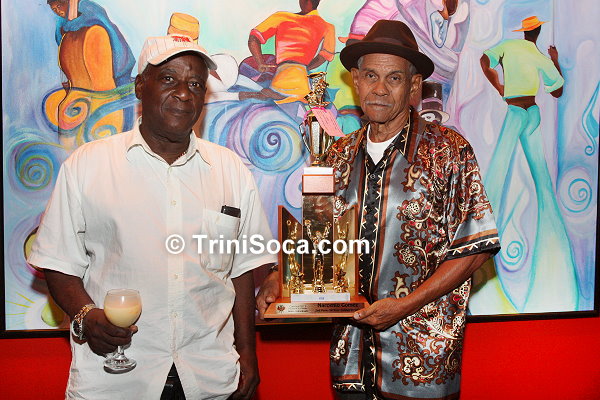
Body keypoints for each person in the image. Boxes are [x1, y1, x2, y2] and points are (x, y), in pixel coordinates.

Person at [257, 20, 500, 399]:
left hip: (422, 357)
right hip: (350, 356)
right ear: (356, 80)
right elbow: (318, 240)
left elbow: (475, 248)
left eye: (394, 78)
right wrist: (280, 276)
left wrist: (403, 306)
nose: (380, 89)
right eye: (371, 75)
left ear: (414, 86)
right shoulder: (337, 154)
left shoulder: (448, 151)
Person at [28, 34, 277, 400]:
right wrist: (85, 315)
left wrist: (247, 352)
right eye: (169, 79)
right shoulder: (87, 166)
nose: (184, 93)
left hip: (208, 376)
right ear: (140, 86)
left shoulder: (231, 170)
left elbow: (240, 272)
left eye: (196, 84)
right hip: (116, 381)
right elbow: (57, 261)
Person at [480, 16, 577, 311]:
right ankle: (556, 262)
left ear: (524, 32)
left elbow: (484, 60)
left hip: (517, 111)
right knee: (541, 181)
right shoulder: (539, 57)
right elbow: (557, 90)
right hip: (531, 112)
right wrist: (554, 60)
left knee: (498, 174)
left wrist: (499, 84)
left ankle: (478, 239)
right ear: (538, 31)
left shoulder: (510, 47)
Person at [248, 0, 335, 103]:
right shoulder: (327, 27)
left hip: (281, 79)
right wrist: (302, 68)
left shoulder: (281, 17)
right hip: (301, 81)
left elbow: (253, 38)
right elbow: (325, 56)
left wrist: (260, 63)